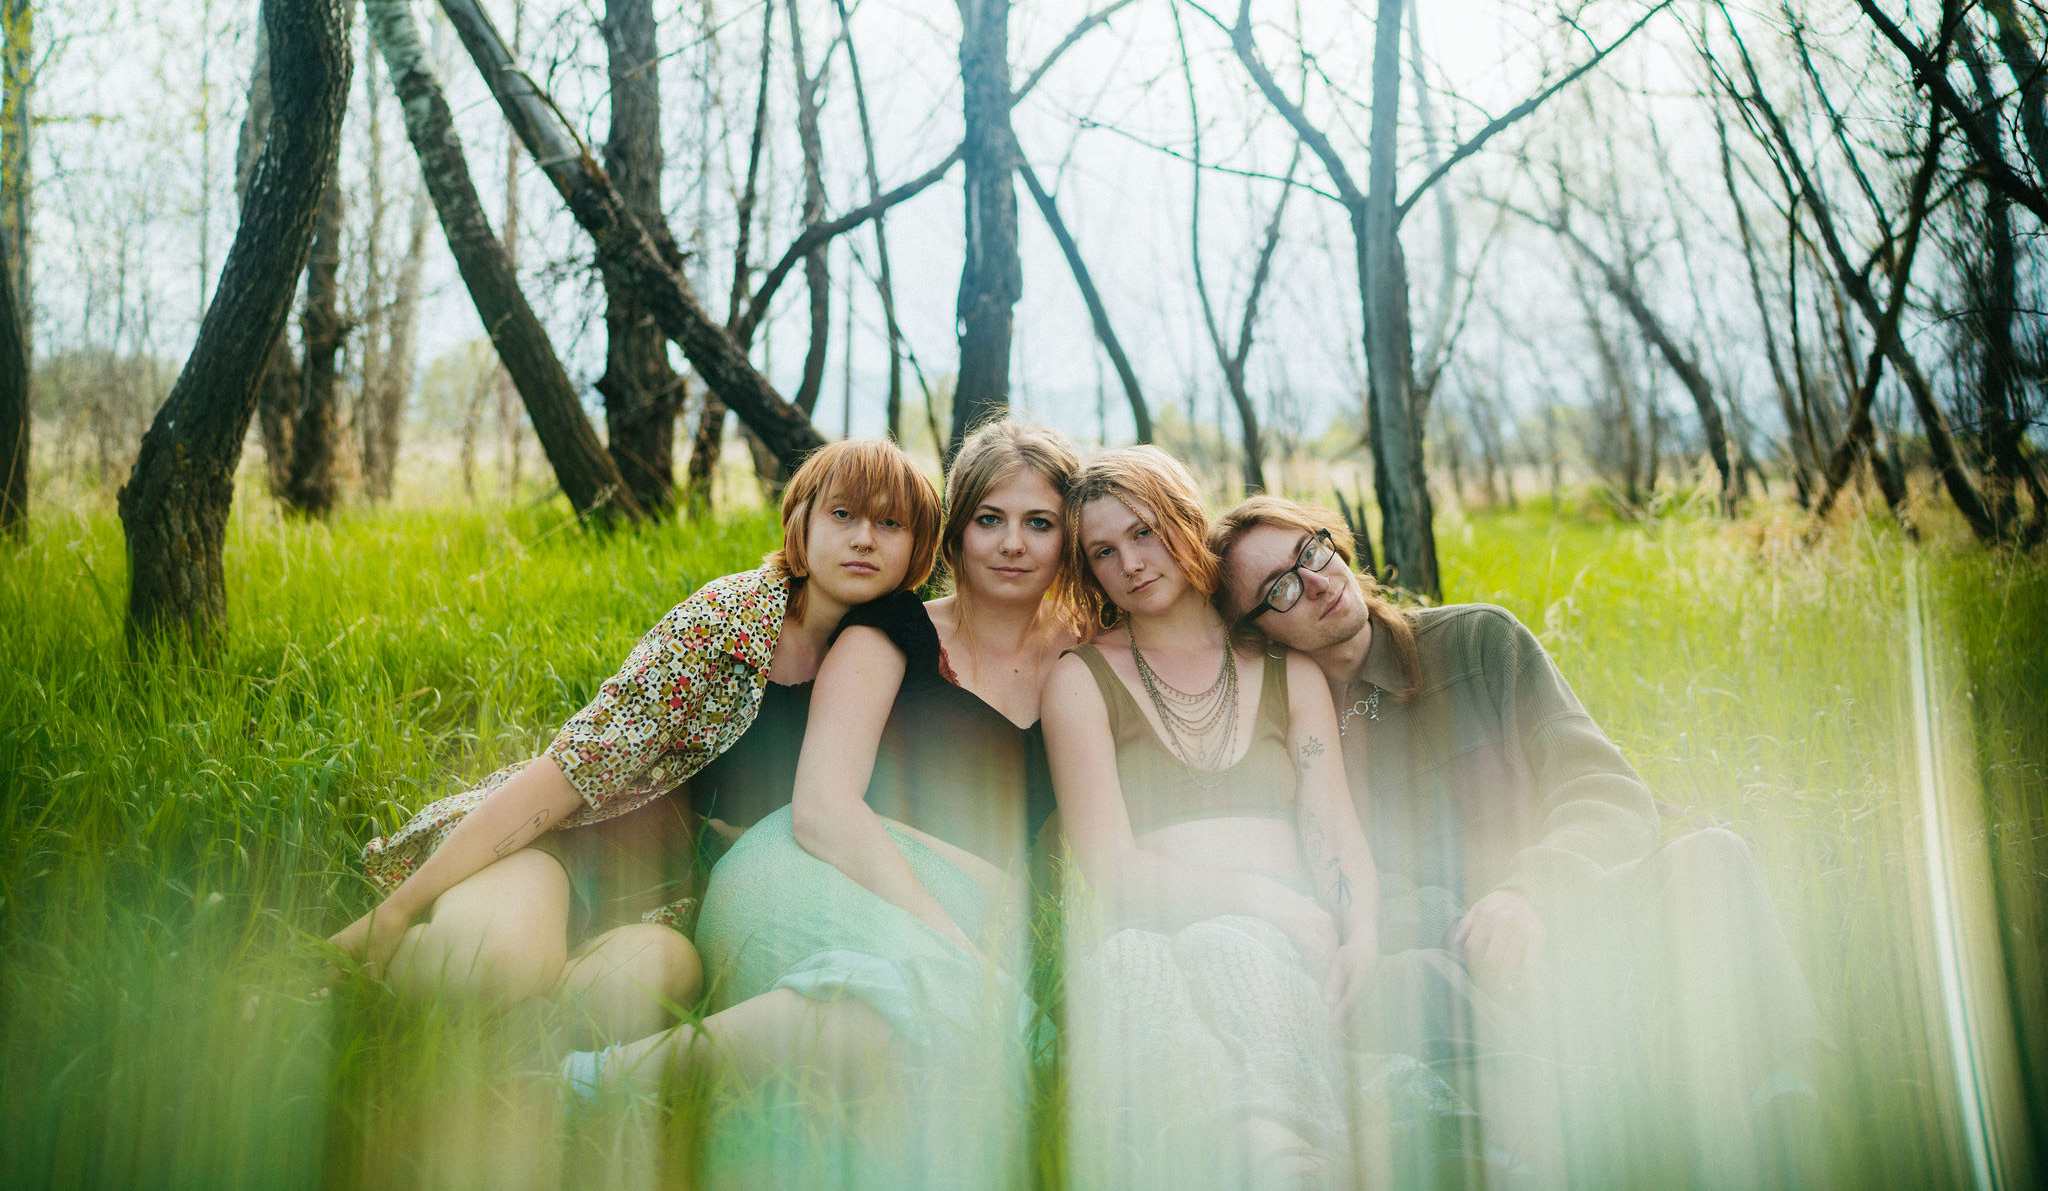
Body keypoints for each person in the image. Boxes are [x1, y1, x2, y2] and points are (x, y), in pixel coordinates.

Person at [1210, 495, 1826, 1186]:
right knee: (1392, 994)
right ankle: (1591, 1128)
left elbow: (1605, 790)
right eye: (1281, 589)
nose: (1317, 581)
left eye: (1311, 551)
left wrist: (1531, 893)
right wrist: (1462, 931)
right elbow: (1332, 886)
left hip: (1584, 914)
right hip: (1458, 974)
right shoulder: (1294, 734)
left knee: (1712, 857)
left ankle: (1779, 1119)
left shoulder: (1478, 642)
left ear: (1337, 544)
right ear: (1259, 633)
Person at [565, 420, 1079, 1185]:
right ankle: (606, 1085)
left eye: (1039, 523)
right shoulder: (891, 629)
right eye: (989, 520)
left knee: (914, 1051)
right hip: (809, 873)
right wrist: (957, 945)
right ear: (956, 533)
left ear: (1068, 537)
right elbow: (823, 809)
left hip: (959, 915)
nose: (1012, 544)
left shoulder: (1087, 658)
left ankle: (607, 1078)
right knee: (961, 1024)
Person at [328, 439, 941, 1051]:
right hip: (570, 850)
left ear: (917, 550)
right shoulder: (728, 621)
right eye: (843, 514)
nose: (864, 538)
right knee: (485, 970)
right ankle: (348, 981)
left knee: (629, 1000)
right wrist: (399, 907)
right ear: (800, 523)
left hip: (666, 908)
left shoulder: (894, 660)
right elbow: (571, 769)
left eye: (890, 523)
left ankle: (511, 1053)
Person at [1039, 447, 1384, 1187]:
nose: (1130, 562)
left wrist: (1362, 933)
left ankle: (1277, 1161)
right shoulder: (1080, 679)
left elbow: (1333, 826)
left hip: (1283, 939)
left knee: (1228, 954)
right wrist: (1264, 900)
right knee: (1126, 968)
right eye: (1103, 551)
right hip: (1155, 929)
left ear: (1184, 522)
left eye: (1144, 533)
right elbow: (1111, 865)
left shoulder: (1286, 670)